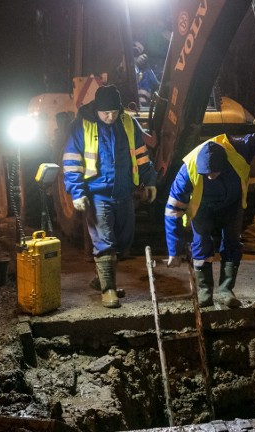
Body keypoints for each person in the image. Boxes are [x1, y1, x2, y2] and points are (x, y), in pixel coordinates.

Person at [62, 84, 158, 308]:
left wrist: (149, 181)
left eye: (114, 112)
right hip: (98, 194)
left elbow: (141, 155)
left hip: (124, 193)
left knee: (124, 240)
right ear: (96, 109)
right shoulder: (81, 126)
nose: (110, 116)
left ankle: (101, 278)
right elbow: (71, 161)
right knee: (104, 241)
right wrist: (77, 192)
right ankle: (108, 290)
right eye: (106, 112)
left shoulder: (128, 123)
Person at [164, 133, 255, 308]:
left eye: (214, 173)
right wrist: (174, 250)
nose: (210, 177)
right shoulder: (187, 171)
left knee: (232, 241)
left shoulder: (238, 149)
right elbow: (172, 212)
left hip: (232, 204)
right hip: (202, 207)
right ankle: (205, 292)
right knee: (201, 243)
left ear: (224, 165)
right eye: (206, 174)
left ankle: (226, 290)